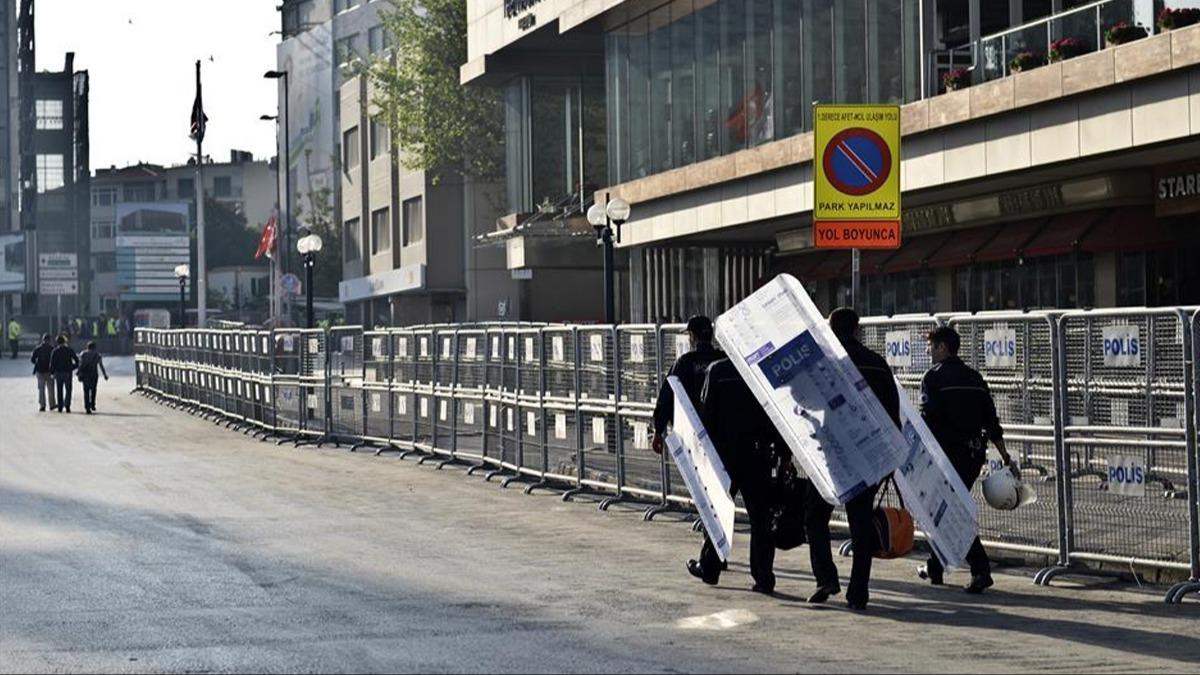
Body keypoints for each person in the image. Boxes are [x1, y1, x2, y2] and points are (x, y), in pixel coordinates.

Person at [803, 307, 901, 610]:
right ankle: (858, 592)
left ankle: (826, 578)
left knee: (815, 515)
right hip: (869, 454)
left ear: (830, 329)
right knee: (860, 523)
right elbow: (893, 415)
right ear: (858, 329)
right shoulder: (877, 364)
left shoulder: (824, 364)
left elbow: (805, 406)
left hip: (832, 453)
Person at [918, 326, 1013, 594]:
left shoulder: (933, 378)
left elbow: (928, 420)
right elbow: (992, 422)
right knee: (945, 509)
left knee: (949, 513)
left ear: (943, 348)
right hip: (973, 455)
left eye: (931, 347)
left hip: (946, 457)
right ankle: (935, 567)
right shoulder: (975, 377)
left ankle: (980, 568)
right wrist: (1004, 455)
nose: (928, 352)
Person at [694, 357, 784, 594]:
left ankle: (710, 567)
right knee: (761, 518)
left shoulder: (717, 370)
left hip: (724, 455)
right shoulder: (760, 370)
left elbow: (706, 414)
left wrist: (706, 454)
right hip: (758, 453)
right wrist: (782, 453)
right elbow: (777, 412)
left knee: (718, 513)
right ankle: (764, 577)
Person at [650, 316, 726, 456]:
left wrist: (658, 430)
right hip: (725, 433)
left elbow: (666, 396)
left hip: (694, 433)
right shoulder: (723, 359)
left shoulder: (684, 363)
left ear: (692, 336)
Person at [78, 341, 109, 414]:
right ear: (94, 347)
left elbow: (80, 364)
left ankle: (87, 406)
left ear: (87, 347)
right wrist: (105, 375)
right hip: (94, 374)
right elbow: (101, 366)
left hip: (85, 375)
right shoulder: (98, 355)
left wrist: (79, 373)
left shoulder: (83, 354)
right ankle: (92, 404)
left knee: (86, 391)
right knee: (93, 390)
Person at [50, 335, 79, 413]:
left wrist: (52, 373)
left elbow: (52, 363)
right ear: (64, 341)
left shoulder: (55, 351)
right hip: (67, 373)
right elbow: (77, 361)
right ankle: (67, 406)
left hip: (58, 373)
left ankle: (60, 407)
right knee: (68, 389)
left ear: (57, 342)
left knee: (59, 390)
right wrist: (72, 367)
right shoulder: (69, 350)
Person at [30, 334, 56, 412]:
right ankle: (52, 405)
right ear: (50, 340)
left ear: (43, 340)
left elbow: (32, 359)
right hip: (49, 371)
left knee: (41, 389)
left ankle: (42, 405)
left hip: (40, 371)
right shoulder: (52, 349)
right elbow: (55, 360)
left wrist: (37, 364)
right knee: (51, 389)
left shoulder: (38, 348)